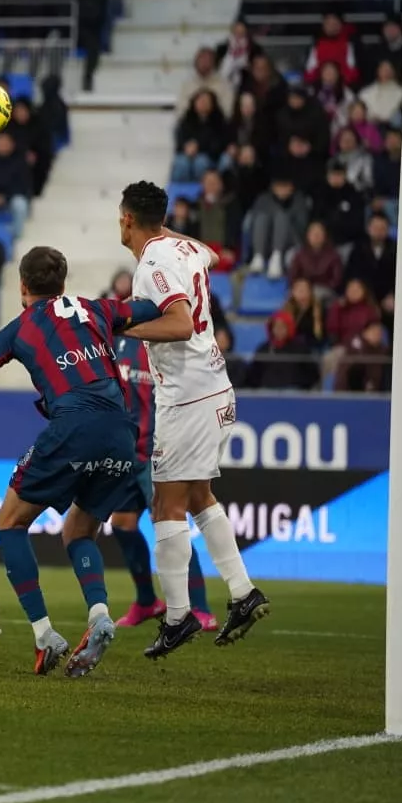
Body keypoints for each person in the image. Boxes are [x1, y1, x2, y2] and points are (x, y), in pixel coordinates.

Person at [0, 246, 163, 676]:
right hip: (121, 434)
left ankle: (43, 634)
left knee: (9, 521)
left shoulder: (19, 329)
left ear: (22, 286)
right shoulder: (99, 309)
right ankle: (98, 613)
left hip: (73, 428)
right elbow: (149, 307)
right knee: (78, 531)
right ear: (63, 281)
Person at [118, 181, 270, 655]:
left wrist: (124, 324)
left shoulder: (153, 262)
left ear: (126, 219)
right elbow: (210, 255)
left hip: (189, 396)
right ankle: (243, 593)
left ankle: (179, 617)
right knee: (201, 495)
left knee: (167, 504)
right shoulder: (185, 247)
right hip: (212, 387)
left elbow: (180, 323)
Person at [107, 335, 216, 630]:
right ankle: (146, 601)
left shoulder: (166, 341)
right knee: (122, 524)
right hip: (125, 451)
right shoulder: (118, 339)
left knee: (171, 528)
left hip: (159, 453)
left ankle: (199, 607)